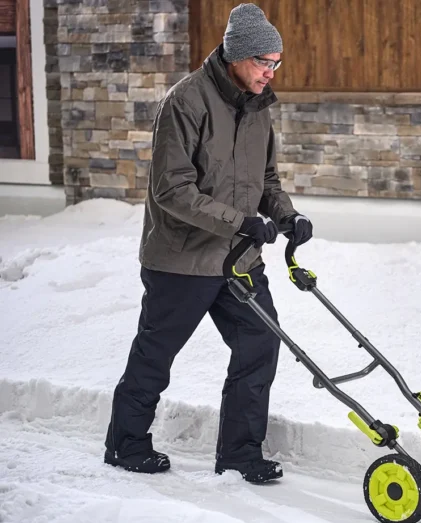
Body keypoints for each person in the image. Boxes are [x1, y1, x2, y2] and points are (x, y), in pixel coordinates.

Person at [103, 3, 312, 484]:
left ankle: (240, 453)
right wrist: (239, 221)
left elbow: (266, 179)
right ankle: (126, 443)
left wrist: (287, 215)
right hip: (181, 257)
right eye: (264, 62)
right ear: (236, 55)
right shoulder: (186, 102)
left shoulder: (259, 107)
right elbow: (171, 190)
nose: (270, 72)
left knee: (260, 344)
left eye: (276, 63)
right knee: (157, 353)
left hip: (238, 258)